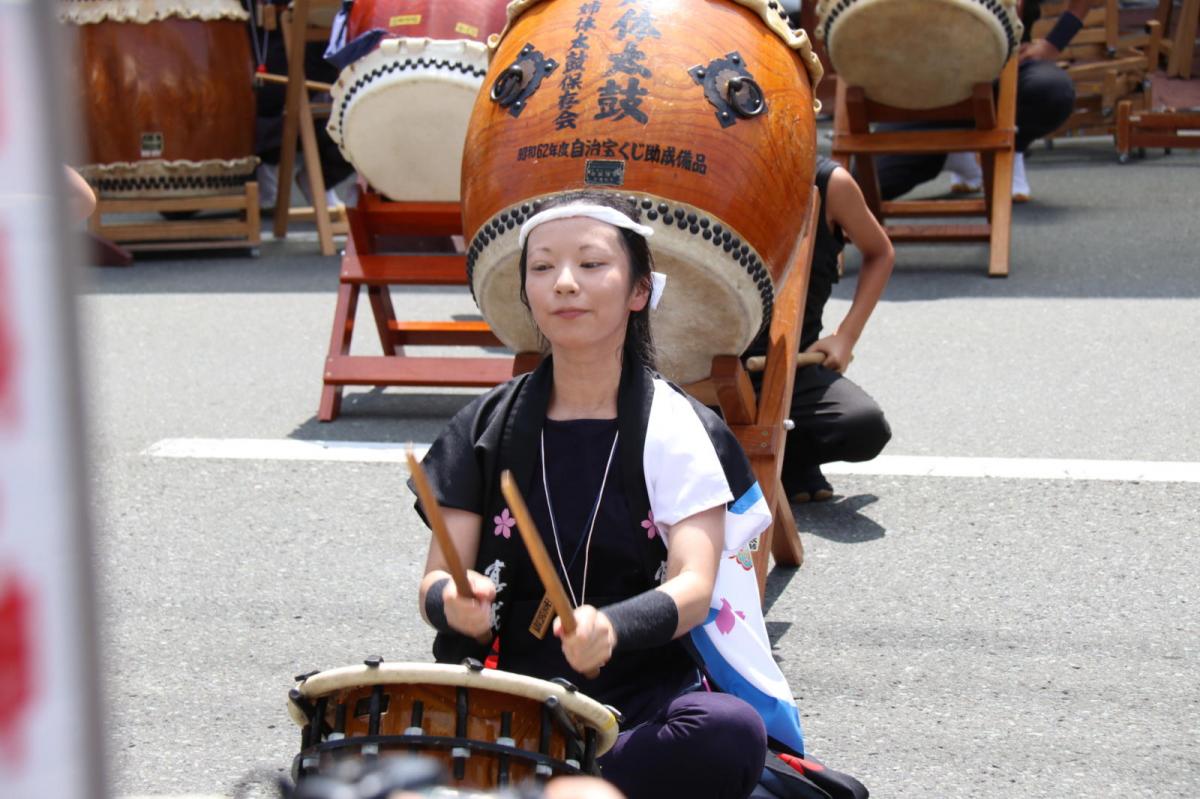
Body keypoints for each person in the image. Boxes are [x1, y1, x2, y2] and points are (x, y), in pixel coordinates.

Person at [411, 192, 808, 799]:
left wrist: (611, 627)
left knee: (728, 731)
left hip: (634, 704)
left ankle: (541, 789)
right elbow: (437, 578)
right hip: (504, 698)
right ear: (528, 295)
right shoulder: (483, 426)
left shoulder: (678, 428)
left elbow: (694, 587)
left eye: (592, 265)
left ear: (639, 291)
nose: (564, 283)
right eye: (542, 268)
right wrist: (454, 602)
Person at [746, 156, 894, 503]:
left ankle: (787, 457)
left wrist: (846, 336)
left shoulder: (829, 182)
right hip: (692, 366)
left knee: (862, 427)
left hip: (788, 366)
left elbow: (880, 252)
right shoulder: (694, 164)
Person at [874, 0, 1088, 202]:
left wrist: (1054, 44)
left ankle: (1010, 149)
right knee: (871, 185)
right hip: (933, 89)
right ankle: (955, 154)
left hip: (1008, 69)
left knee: (1052, 91)